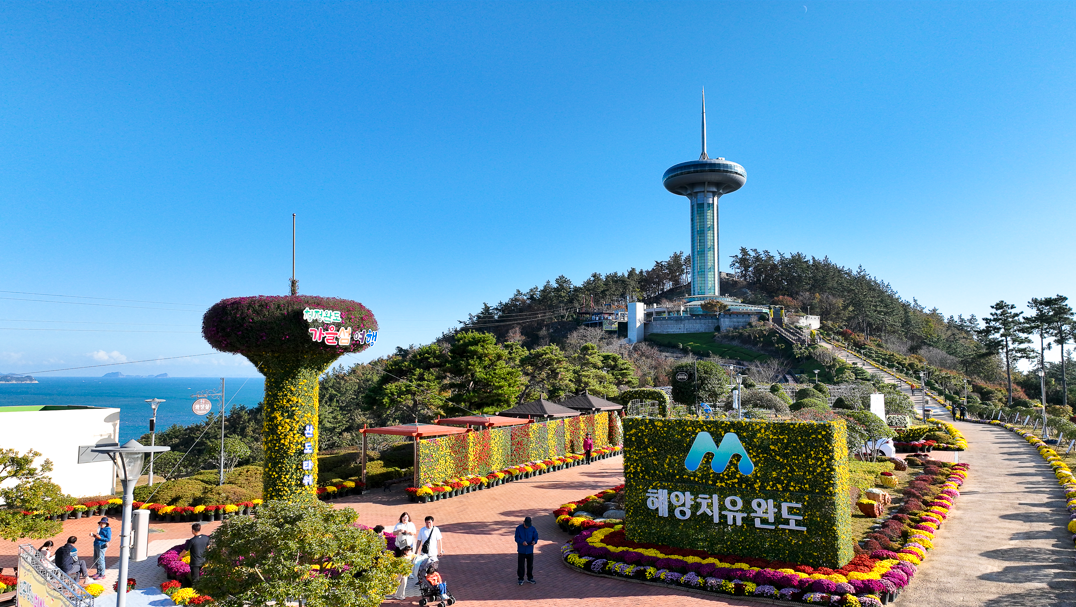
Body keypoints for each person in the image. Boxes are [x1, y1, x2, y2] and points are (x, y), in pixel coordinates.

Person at [514, 516, 538, 585]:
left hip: (530, 550)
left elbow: (536, 537)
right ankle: (520, 578)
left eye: (528, 525)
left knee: (530, 565)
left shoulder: (533, 528)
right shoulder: (519, 528)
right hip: (521, 550)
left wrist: (534, 541)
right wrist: (522, 542)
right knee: (521, 565)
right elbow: (516, 538)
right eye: (526, 525)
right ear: (523, 522)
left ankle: (530, 578)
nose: (527, 526)